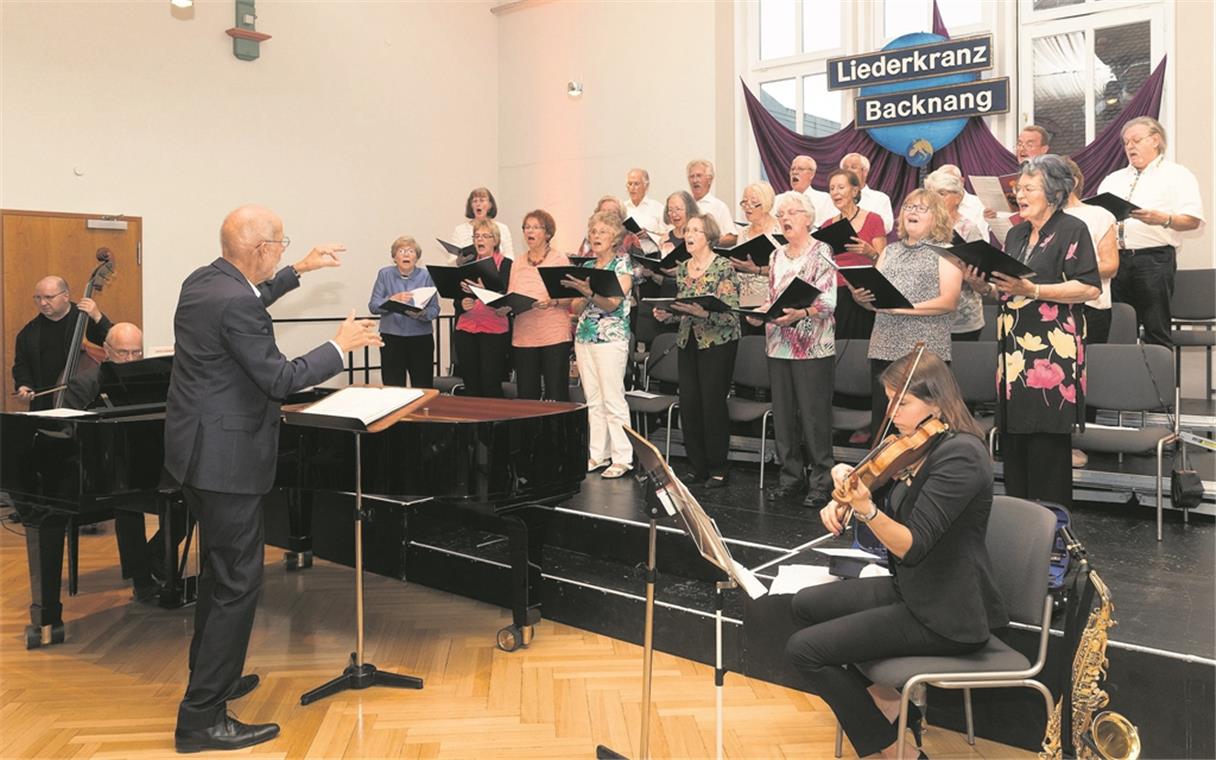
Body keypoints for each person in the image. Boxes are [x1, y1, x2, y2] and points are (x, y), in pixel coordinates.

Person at [166, 204, 382, 753]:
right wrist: (340, 346)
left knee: (219, 573)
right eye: (283, 245)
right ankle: (200, 718)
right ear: (259, 249)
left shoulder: (203, 282)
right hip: (228, 462)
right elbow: (280, 379)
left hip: (193, 455)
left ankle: (212, 678)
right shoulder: (237, 302)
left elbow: (249, 299)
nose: (286, 251)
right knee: (238, 583)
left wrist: (301, 269)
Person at [787, 349, 1006, 760]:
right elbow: (873, 486)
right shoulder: (915, 447)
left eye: (900, 402)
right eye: (888, 399)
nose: (890, 412)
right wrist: (843, 493)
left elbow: (910, 543)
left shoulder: (961, 455)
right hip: (915, 591)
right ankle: (889, 702)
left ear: (937, 401)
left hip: (947, 612)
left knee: (804, 650)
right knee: (805, 605)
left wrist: (866, 509)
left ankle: (896, 751)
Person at [970, 155, 1100, 510]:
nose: (1019, 193)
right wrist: (980, 285)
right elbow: (1008, 290)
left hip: (1053, 350)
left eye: (1028, 188)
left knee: (1046, 443)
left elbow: (1089, 288)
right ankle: (1021, 525)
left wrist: (1036, 291)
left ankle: (1053, 534)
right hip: (1013, 351)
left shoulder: (1072, 229)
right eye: (1018, 188)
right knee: (1016, 442)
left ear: (1054, 192)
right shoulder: (1015, 233)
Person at [61, 323, 182, 603]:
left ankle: (154, 556)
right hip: (108, 465)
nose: (130, 360)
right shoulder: (86, 383)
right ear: (106, 351)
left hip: (157, 456)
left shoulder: (154, 375)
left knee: (194, 496)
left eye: (136, 353)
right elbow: (73, 429)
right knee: (127, 502)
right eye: (123, 353)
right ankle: (142, 580)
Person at [745, 191, 837, 508]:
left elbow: (828, 302)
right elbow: (774, 298)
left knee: (813, 417)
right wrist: (760, 313)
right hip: (778, 344)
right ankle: (790, 478)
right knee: (784, 418)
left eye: (792, 212)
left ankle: (821, 482)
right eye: (781, 213)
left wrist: (802, 313)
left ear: (808, 218)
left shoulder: (822, 251)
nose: (785, 218)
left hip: (813, 346)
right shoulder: (775, 256)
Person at [851, 190, 962, 441]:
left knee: (921, 430)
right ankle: (887, 479)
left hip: (923, 353)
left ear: (937, 217)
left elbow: (949, 300)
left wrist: (901, 307)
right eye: (908, 206)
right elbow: (877, 301)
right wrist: (863, 300)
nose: (912, 211)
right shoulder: (889, 251)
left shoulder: (946, 252)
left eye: (921, 208)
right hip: (884, 348)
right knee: (885, 425)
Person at [1096, 116, 1205, 348]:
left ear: (1156, 140)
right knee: (1119, 330)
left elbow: (1193, 220)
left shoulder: (1177, 175)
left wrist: (1163, 219)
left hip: (1154, 260)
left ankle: (1159, 384)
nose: (1130, 147)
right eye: (1126, 143)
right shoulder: (1112, 179)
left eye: (1136, 140)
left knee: (1156, 329)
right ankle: (1121, 382)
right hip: (1115, 260)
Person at [652, 214, 740, 488]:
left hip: (717, 342)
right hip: (688, 341)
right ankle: (698, 466)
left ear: (709, 236)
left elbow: (731, 313)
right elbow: (684, 310)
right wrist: (668, 315)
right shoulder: (682, 269)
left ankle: (718, 468)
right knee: (689, 404)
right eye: (687, 230)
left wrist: (703, 313)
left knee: (712, 404)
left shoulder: (723, 266)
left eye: (696, 231)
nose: (688, 235)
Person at [568, 211, 634, 479]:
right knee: (593, 399)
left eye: (602, 232)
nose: (596, 236)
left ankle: (623, 457)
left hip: (611, 338)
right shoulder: (585, 268)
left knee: (613, 398)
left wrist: (589, 293)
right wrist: (583, 295)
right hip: (585, 336)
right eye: (593, 231)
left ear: (615, 237)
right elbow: (574, 307)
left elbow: (612, 303)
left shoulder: (623, 266)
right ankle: (597, 454)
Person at [13, 276, 113, 411]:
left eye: (49, 297)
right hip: (44, 407)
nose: (42, 303)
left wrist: (98, 317)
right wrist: (24, 385)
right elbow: (22, 365)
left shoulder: (86, 319)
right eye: (37, 298)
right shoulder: (28, 333)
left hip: (87, 405)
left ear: (65, 296)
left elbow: (116, 342)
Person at [510, 210, 573, 401]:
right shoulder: (518, 262)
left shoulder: (559, 259)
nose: (530, 231)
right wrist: (504, 306)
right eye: (527, 227)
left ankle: (556, 432)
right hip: (524, 335)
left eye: (536, 227)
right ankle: (530, 432)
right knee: (527, 396)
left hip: (553, 334)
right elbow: (511, 295)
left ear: (547, 233)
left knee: (556, 393)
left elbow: (569, 297)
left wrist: (552, 301)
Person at [822, 168, 887, 340]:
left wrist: (870, 252)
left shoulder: (874, 219)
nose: (835, 192)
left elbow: (884, 263)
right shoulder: (826, 225)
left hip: (863, 292)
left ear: (855, 190)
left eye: (840, 187)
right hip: (836, 294)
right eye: (832, 188)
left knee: (860, 348)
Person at [368, 236, 439, 388]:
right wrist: (392, 300)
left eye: (411, 251)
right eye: (401, 251)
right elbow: (373, 306)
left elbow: (434, 309)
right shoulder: (384, 274)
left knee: (423, 385)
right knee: (392, 386)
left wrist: (422, 314)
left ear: (417, 257)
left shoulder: (427, 276)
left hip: (420, 339)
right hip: (391, 338)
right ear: (394, 256)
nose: (406, 254)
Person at [453, 218, 513, 397]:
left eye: (485, 236)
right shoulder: (467, 264)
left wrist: (483, 291)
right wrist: (462, 304)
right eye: (477, 236)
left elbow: (507, 297)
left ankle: (493, 424)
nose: (480, 240)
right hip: (466, 328)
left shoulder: (506, 264)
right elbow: (456, 297)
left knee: (490, 382)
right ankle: (473, 425)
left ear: (495, 241)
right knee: (470, 384)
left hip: (493, 329)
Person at [924, 168, 986, 341]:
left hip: (962, 319)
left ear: (957, 197)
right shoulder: (920, 226)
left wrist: (966, 273)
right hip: (926, 316)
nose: (935, 199)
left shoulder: (968, 228)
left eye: (942, 193)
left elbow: (982, 272)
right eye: (931, 193)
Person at [1061, 158, 1118, 345]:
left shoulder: (1098, 215)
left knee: (1088, 368)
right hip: (1049, 302)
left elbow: (1110, 266)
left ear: (1073, 182)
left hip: (1090, 306)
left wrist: (1066, 271)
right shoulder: (1039, 216)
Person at [733, 181, 780, 308]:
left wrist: (757, 270)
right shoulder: (743, 233)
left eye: (753, 203)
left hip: (771, 300)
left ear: (765, 203)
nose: (747, 207)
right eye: (744, 202)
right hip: (744, 300)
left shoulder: (780, 230)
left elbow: (787, 268)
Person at [452, 186, 515, 259]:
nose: (478, 204)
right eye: (475, 201)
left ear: (490, 205)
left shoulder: (502, 228)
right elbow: (452, 260)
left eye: (482, 200)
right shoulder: (460, 230)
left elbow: (510, 257)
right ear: (471, 206)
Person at [686, 159, 737, 246]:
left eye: (699, 176)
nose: (695, 180)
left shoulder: (719, 206)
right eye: (692, 176)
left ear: (709, 179)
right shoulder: (684, 205)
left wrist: (711, 242)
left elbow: (732, 238)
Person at [840, 153, 894, 234]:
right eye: (845, 168)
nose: (848, 171)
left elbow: (886, 226)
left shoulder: (880, 198)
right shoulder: (834, 198)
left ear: (865, 172)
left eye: (853, 167)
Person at [936, 163, 990, 241]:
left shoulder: (981, 203)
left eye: (951, 182)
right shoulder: (933, 207)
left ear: (962, 181)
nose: (947, 186)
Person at [788, 154, 835, 224]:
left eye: (800, 169)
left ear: (811, 174)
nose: (794, 172)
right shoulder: (779, 200)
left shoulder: (825, 199)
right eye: (792, 169)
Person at [624, 168, 665, 235]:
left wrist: (650, 235)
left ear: (646, 186)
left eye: (636, 184)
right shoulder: (621, 209)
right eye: (630, 184)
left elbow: (668, 235)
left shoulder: (658, 208)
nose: (632, 188)